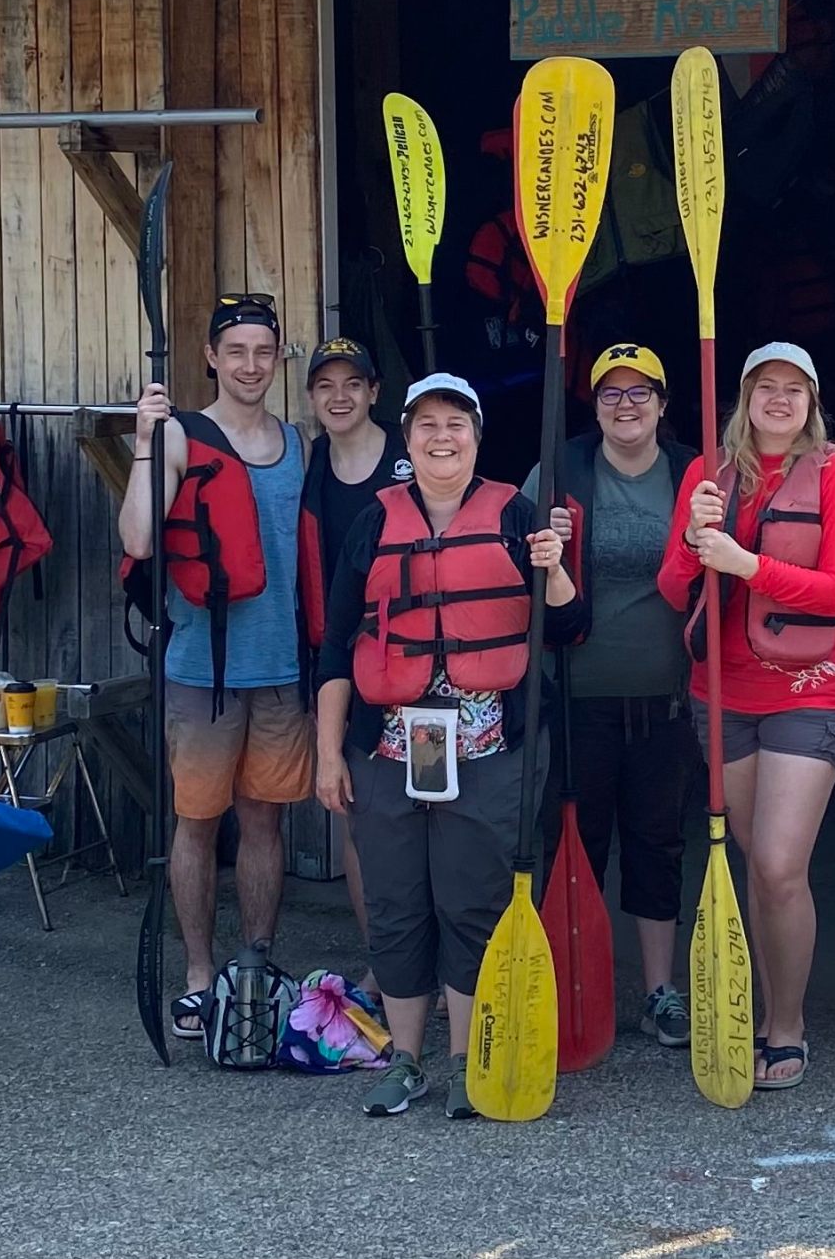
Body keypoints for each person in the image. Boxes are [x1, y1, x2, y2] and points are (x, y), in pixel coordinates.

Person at [312, 373, 585, 1118]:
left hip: (491, 750)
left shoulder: (516, 515)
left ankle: (470, 1058)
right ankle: (406, 1060)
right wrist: (328, 753)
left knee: (472, 904)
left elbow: (568, 629)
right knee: (399, 905)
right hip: (389, 752)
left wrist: (553, 567)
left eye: (456, 425)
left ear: (477, 436)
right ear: (407, 438)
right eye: (427, 424)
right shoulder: (372, 524)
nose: (442, 437)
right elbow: (336, 646)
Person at [657, 342, 835, 1090]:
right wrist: (691, 539)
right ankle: (754, 1008)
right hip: (723, 695)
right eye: (765, 388)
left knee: (779, 865)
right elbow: (671, 584)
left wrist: (745, 564)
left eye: (794, 389)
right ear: (742, 398)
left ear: (811, 401)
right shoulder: (706, 475)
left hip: (810, 689)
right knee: (755, 863)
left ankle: (789, 1026)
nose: (779, 400)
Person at [121, 292, 310, 1037]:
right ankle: (200, 974)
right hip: (202, 668)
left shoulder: (299, 441)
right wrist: (143, 439)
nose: (251, 365)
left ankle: (254, 963)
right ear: (211, 357)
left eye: (264, 351)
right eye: (236, 351)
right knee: (197, 822)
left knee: (265, 820)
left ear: (278, 357)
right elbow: (139, 538)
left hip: (282, 667)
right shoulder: (178, 437)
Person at [524, 342, 699, 1047]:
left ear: (662, 403)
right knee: (576, 847)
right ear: (594, 407)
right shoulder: (561, 468)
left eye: (639, 393)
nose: (625, 406)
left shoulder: (694, 474)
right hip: (578, 699)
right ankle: (575, 983)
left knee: (658, 849)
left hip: (668, 701)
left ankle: (660, 992)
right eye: (610, 395)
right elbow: (513, 553)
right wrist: (546, 541)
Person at [298, 335, 411, 972]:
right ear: (313, 397)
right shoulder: (306, 463)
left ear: (374, 392)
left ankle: (443, 961)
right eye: (325, 386)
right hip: (341, 662)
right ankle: (384, 961)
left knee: (429, 817)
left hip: (421, 664)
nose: (339, 397)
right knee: (358, 818)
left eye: (352, 384)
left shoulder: (414, 452)